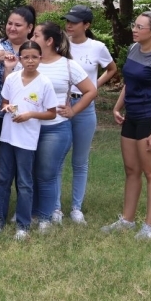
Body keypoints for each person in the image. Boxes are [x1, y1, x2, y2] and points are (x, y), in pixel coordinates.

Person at [105, 11, 151, 240]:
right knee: (131, 170)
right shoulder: (134, 49)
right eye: (134, 25)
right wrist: (117, 107)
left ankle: (150, 226)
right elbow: (129, 82)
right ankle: (127, 220)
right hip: (132, 117)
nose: (134, 29)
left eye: (140, 27)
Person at [30, 21, 96, 230]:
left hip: (55, 128)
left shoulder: (67, 65)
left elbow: (90, 90)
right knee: (30, 172)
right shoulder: (30, 62)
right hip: (29, 127)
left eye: (37, 35)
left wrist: (74, 111)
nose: (32, 38)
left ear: (49, 41)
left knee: (47, 172)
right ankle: (35, 212)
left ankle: (46, 217)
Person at [0, 41, 58, 241]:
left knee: (25, 182)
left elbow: (51, 113)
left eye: (34, 57)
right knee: (3, 179)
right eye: (25, 57)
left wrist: (30, 115)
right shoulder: (11, 78)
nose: (30, 61)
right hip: (8, 137)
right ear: (20, 59)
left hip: (27, 140)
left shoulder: (44, 82)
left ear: (40, 59)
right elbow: (4, 101)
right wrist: (8, 108)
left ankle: (23, 224)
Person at [61, 5, 117, 223]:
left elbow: (111, 69)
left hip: (85, 108)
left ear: (87, 25)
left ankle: (76, 207)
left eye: (74, 22)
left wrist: (94, 85)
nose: (69, 25)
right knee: (57, 158)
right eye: (68, 21)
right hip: (62, 106)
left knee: (80, 161)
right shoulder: (60, 43)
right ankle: (55, 208)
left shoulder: (97, 47)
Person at [0, 6, 35, 215]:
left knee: (25, 163)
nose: (12, 28)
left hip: (27, 116)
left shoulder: (33, 51)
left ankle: (23, 209)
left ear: (30, 27)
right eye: (10, 23)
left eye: (18, 24)